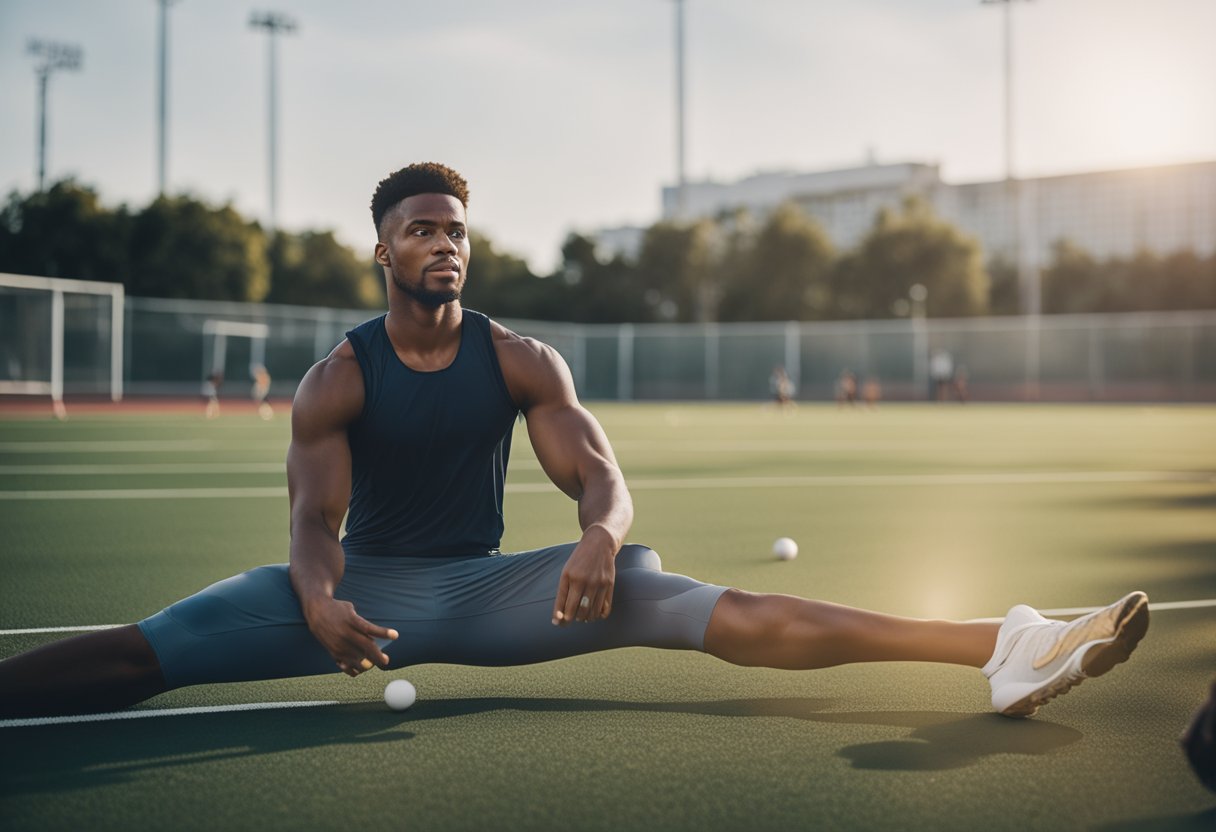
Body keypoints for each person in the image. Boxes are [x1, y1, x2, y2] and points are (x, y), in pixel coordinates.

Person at [0, 162, 1150, 720]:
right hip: (364, 595)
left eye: (454, 229)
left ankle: (1002, 646)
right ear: (384, 255)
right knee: (146, 653)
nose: (442, 243)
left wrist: (601, 538)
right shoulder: (336, 375)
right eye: (419, 231)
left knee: (731, 612)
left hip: (511, 592)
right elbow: (312, 520)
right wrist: (314, 600)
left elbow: (599, 473)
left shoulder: (521, 359)